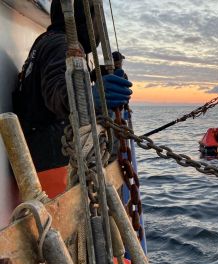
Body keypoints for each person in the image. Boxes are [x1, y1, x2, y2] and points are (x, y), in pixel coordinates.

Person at [12, 0, 132, 198]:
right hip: (54, 166)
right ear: (86, 17)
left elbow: (56, 80)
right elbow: (56, 93)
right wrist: (92, 98)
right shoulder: (62, 43)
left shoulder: (47, 39)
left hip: (39, 158)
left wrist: (96, 76)